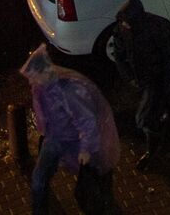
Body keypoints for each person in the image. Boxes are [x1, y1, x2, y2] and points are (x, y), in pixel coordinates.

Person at [21, 46, 119, 215]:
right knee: (38, 179)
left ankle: (103, 203)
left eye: (33, 77)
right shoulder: (41, 86)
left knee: (92, 180)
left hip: (74, 140)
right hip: (54, 138)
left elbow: (87, 120)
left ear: (44, 73)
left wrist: (86, 149)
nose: (30, 82)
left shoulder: (68, 90)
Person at [114, 0, 170, 169]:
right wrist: (129, 77)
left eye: (127, 23)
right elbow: (120, 54)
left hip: (158, 79)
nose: (124, 26)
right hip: (143, 80)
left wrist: (169, 87)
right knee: (154, 114)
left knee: (146, 118)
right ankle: (162, 134)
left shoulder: (158, 28)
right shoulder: (124, 28)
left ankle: (154, 150)